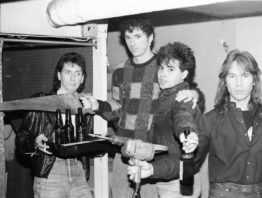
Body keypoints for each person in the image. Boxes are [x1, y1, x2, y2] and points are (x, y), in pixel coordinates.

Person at [80, 18, 204, 198]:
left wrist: (196, 95)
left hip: (152, 154)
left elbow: (184, 100)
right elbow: (117, 109)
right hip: (125, 150)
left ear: (150, 37)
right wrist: (98, 105)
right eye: (128, 37)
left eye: (138, 36)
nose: (132, 42)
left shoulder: (163, 67)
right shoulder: (120, 71)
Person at [194, 49, 262, 198]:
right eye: (232, 76)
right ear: (225, 81)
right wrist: (187, 150)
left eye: (245, 75)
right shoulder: (209, 120)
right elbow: (190, 163)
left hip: (261, 194)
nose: (238, 83)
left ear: (254, 80)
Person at [127, 42, 203, 198]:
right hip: (167, 177)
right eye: (161, 68)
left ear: (184, 74)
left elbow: (183, 116)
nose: (163, 74)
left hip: (178, 184)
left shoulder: (182, 98)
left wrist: (187, 133)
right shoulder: (165, 97)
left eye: (170, 69)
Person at [16, 52, 93, 198]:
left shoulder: (85, 105)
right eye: (67, 72)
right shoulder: (41, 101)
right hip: (50, 171)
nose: (72, 78)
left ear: (82, 78)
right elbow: (21, 139)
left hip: (78, 171)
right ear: (59, 75)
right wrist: (34, 142)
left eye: (77, 73)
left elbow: (87, 141)